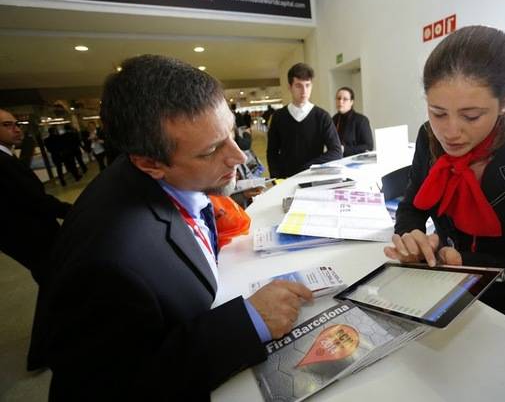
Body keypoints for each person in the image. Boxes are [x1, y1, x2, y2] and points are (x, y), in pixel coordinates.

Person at [37, 55, 312, 401]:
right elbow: (117, 385)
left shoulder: (156, 170)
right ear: (150, 163)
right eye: (212, 150)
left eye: (229, 131)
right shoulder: (108, 261)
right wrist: (249, 321)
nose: (239, 156)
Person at [384, 25, 505, 336]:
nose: (450, 132)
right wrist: (411, 237)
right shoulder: (428, 137)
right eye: (438, 112)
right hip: (439, 300)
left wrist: (465, 261)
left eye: (471, 116)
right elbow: (411, 206)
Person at [0, 109, 72, 285]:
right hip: (33, 237)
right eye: (7, 125)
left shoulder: (7, 158)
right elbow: (34, 199)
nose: (17, 129)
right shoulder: (3, 162)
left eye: (17, 124)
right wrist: (73, 211)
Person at [267, 62, 342, 178]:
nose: (304, 91)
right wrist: (276, 178)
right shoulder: (278, 117)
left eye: (307, 85)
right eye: (298, 86)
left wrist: (309, 167)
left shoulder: (322, 116)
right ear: (290, 87)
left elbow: (336, 151)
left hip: (314, 177)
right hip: (286, 179)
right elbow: (272, 152)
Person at [332, 87, 374, 157]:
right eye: (338, 98)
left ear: (351, 102)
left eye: (345, 99)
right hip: (336, 160)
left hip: (356, 161)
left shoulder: (361, 120)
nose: (340, 102)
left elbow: (368, 146)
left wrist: (345, 149)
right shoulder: (333, 119)